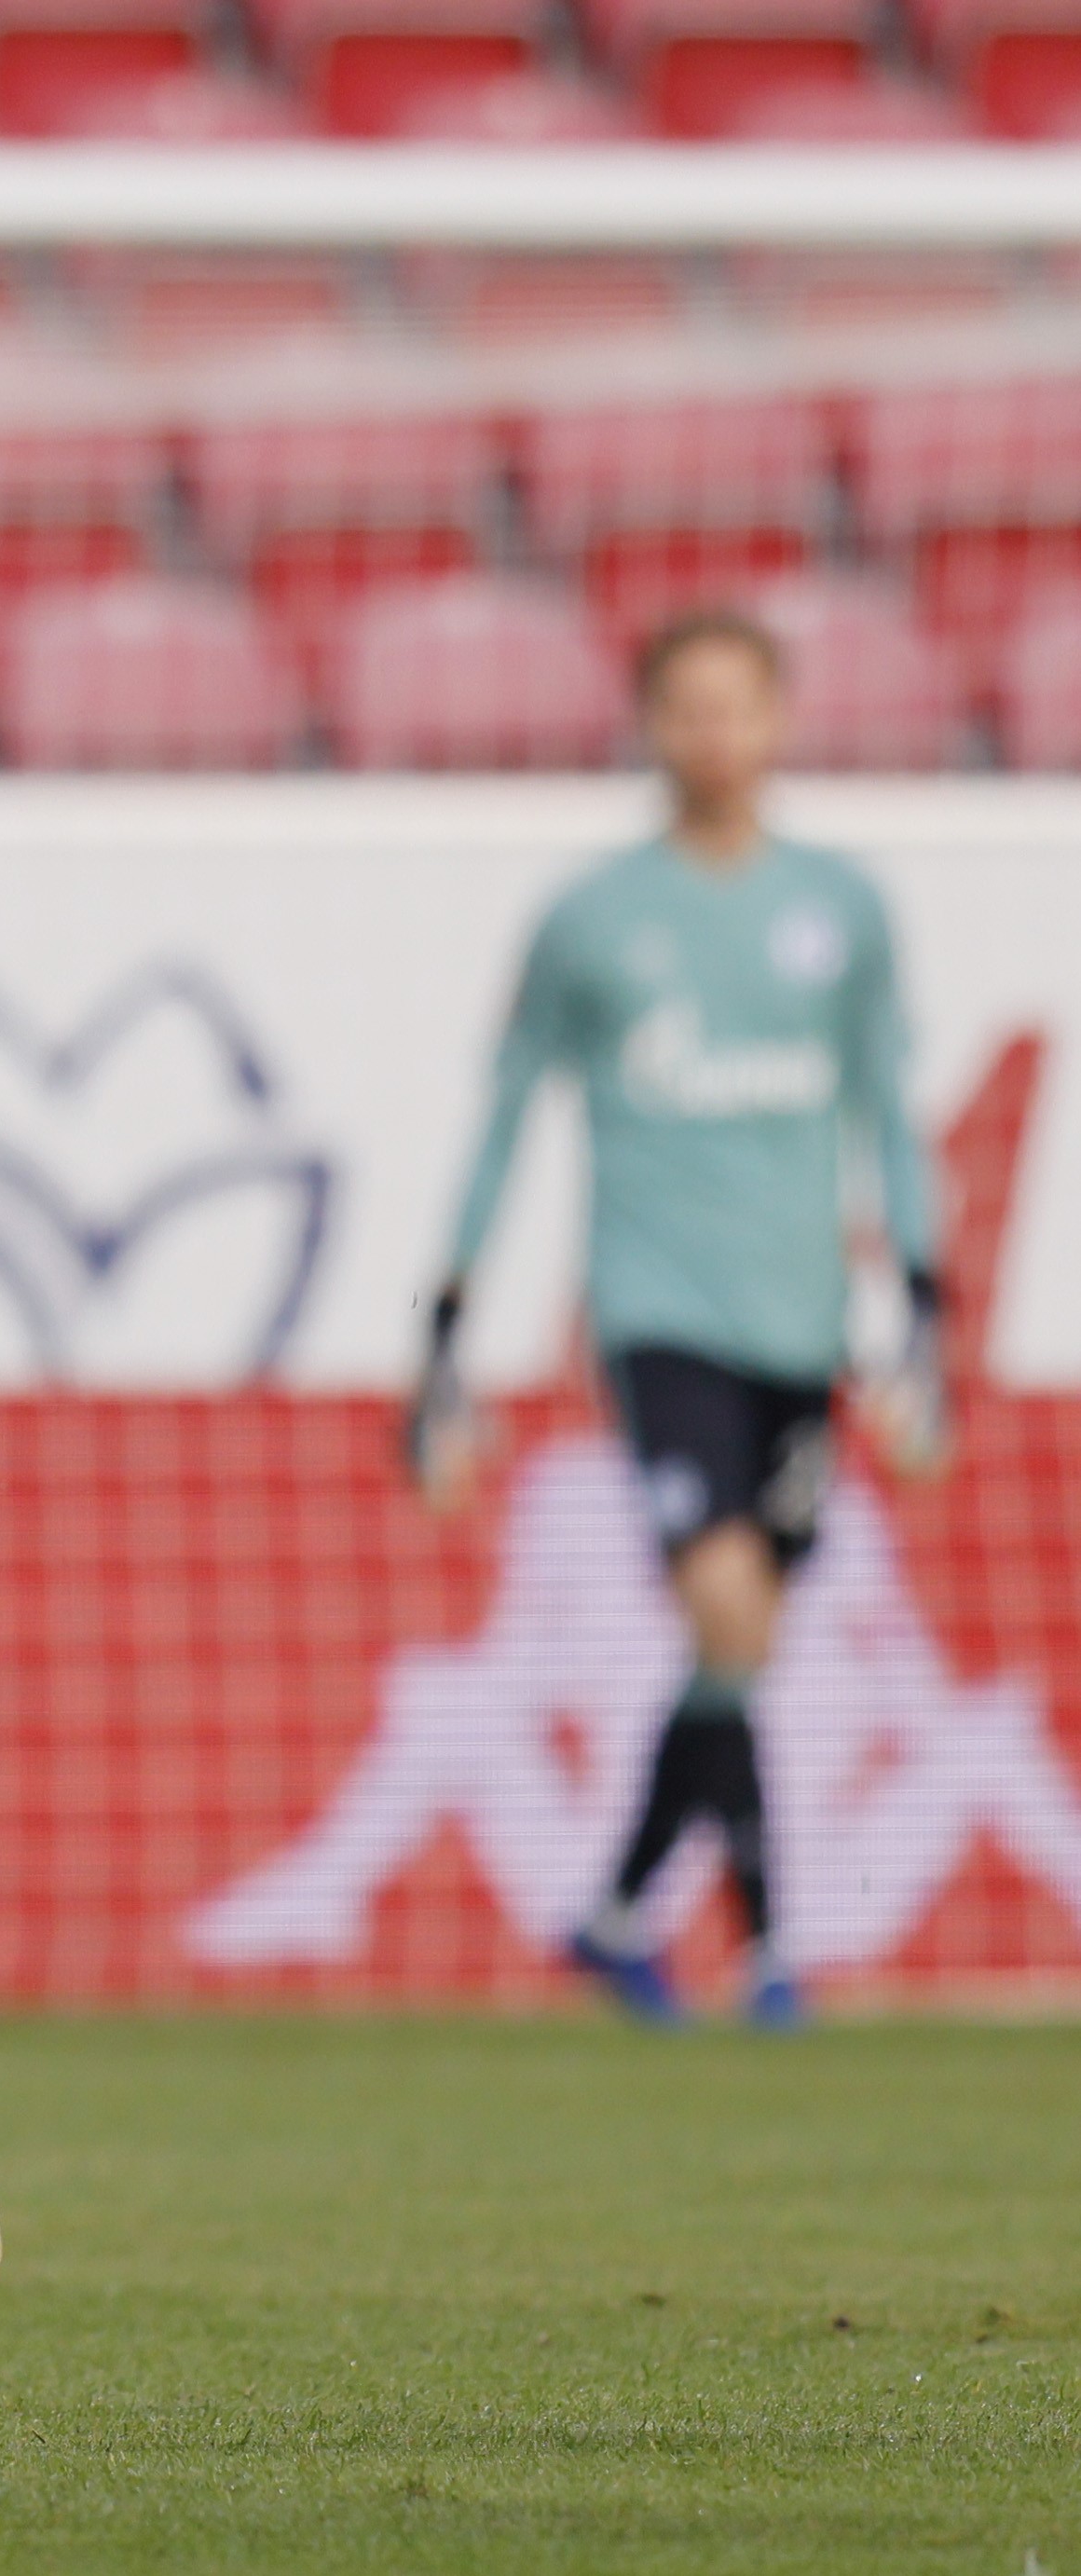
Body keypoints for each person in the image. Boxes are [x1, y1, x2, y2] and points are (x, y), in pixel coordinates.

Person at [417, 606, 944, 2030]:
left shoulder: (842, 908)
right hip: (656, 1320)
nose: (713, 736)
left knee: (743, 1639)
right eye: (686, 709)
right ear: (649, 726)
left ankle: (616, 1912)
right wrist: (444, 1340)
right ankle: (774, 1947)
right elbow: (504, 1118)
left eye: (738, 708)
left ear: (779, 722)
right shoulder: (593, 920)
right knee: (723, 1606)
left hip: (805, 1327)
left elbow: (889, 1115)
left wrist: (926, 1317)